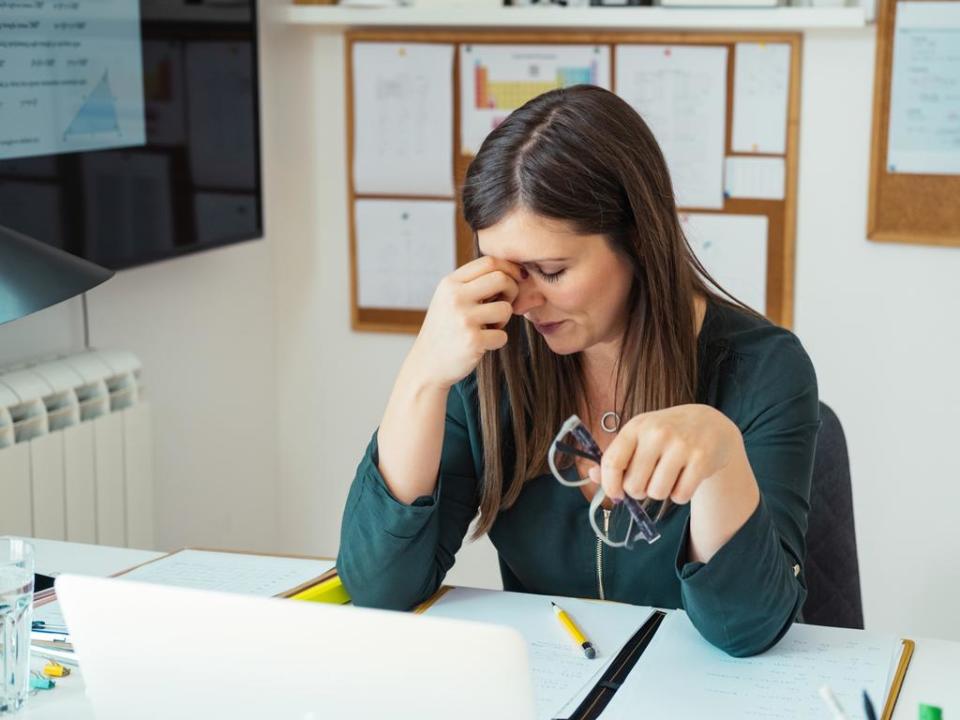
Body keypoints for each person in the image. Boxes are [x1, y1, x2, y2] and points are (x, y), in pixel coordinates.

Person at [337, 85, 819, 657]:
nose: (523, 302)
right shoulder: (491, 358)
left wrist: (721, 456)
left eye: (550, 270)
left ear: (638, 238)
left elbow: (746, 630)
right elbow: (378, 589)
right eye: (507, 271)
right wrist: (422, 377)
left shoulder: (762, 368)